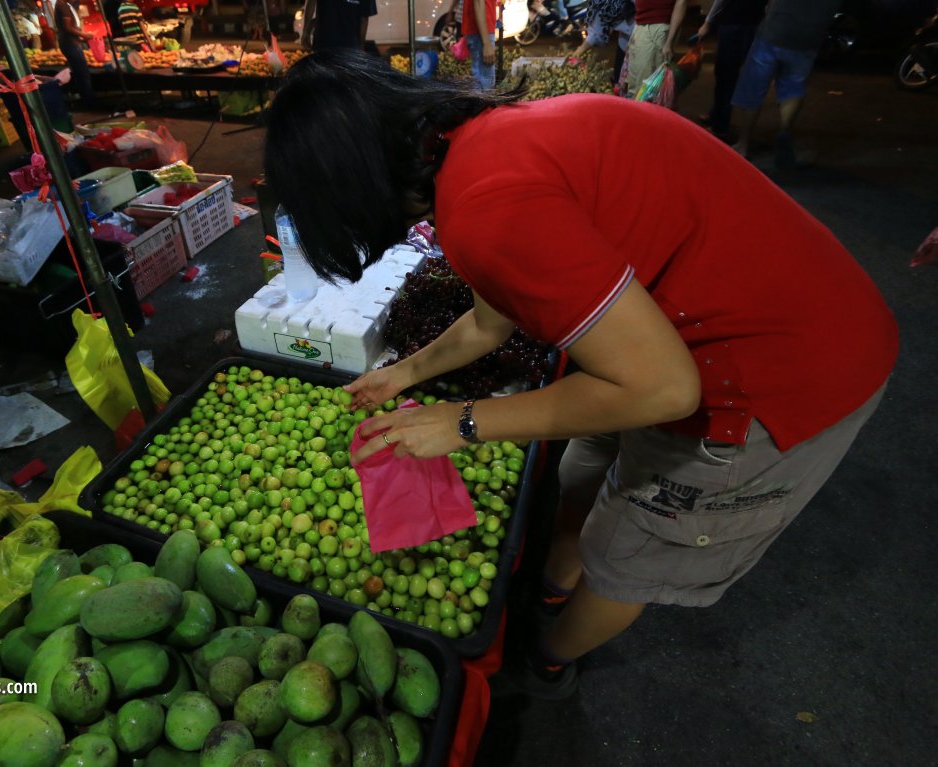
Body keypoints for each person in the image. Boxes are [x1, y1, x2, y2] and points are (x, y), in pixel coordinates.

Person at [263, 49, 898, 699]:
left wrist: (464, 422)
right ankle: (552, 582)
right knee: (586, 470)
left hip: (783, 368)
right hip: (690, 330)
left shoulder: (488, 204)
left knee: (632, 554)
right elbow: (491, 322)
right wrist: (403, 375)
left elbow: (663, 389)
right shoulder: (479, 147)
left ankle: (547, 658)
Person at [730, 0, 842, 167]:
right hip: (809, 37)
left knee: (754, 85)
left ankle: (743, 144)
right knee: (793, 86)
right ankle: (784, 130)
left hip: (775, 30)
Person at [694, 0, 766, 142]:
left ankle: (720, 126)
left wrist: (708, 22)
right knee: (730, 73)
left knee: (726, 74)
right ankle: (717, 115)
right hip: (754, 22)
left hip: (734, 22)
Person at [621, 0, 686, 97]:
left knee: (645, 90)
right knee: (633, 87)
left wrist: (669, 41)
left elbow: (681, 2)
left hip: (656, 27)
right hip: (641, 24)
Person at [568, 0, 635, 86]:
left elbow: (596, 35)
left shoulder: (600, 3)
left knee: (630, 83)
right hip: (628, 36)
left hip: (639, 34)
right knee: (621, 78)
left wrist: (578, 52)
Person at [53, 0, 97, 108]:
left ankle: (87, 100)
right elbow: (68, 28)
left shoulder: (66, 5)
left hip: (72, 43)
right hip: (70, 44)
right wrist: (84, 35)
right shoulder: (62, 5)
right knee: (82, 74)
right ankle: (89, 103)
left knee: (80, 73)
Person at [299, 0, 376, 51]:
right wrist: (361, 47)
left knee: (323, 74)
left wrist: (306, 32)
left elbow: (311, 3)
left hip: (324, 42)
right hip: (350, 46)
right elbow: (364, 18)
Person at [462, 0, 496, 90]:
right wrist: (486, 43)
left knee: (482, 83)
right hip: (481, 33)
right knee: (484, 86)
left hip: (480, 32)